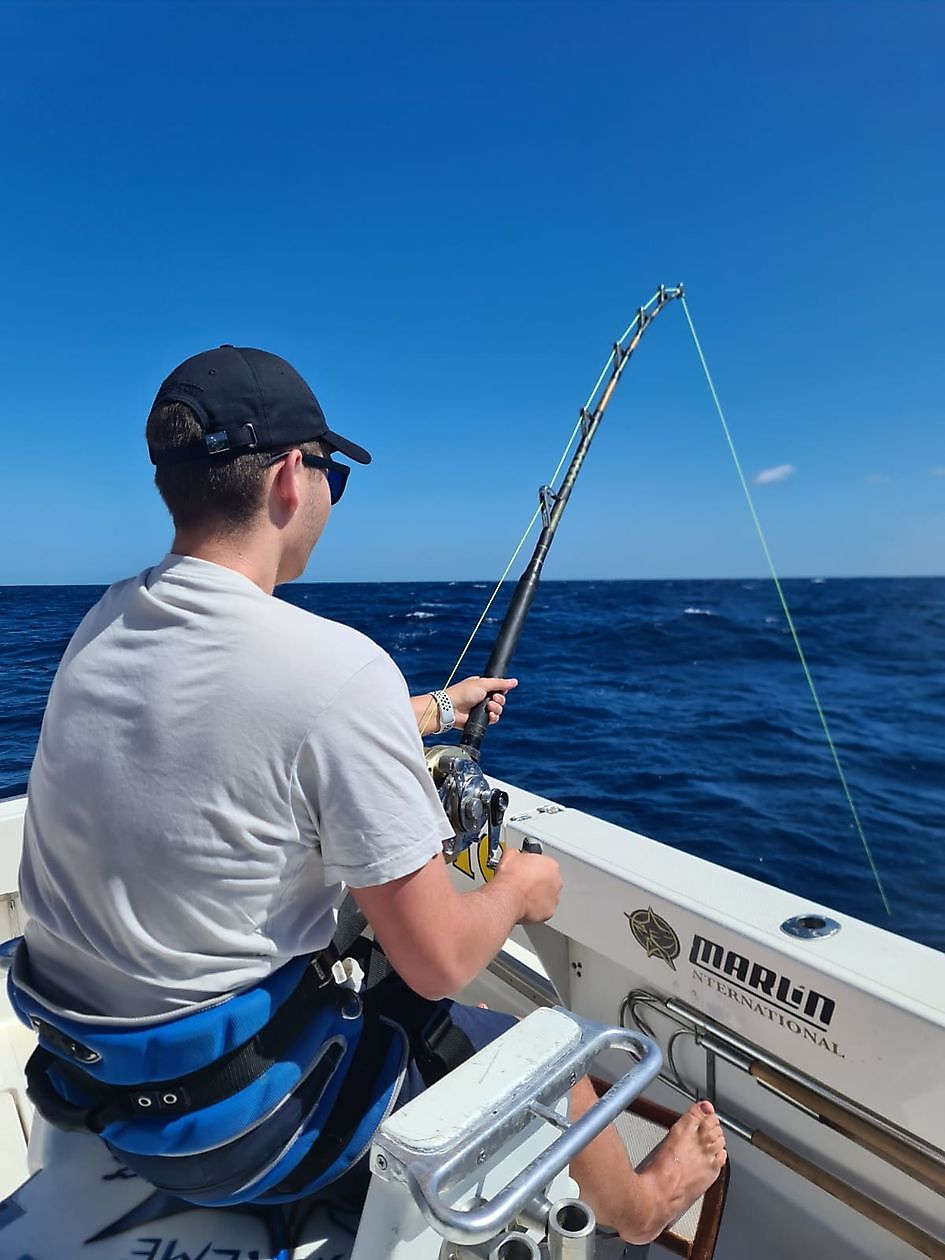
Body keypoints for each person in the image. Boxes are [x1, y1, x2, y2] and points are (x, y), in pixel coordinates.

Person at [14, 345, 725, 1246]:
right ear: (288, 476)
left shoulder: (105, 620)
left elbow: (230, 719)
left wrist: (434, 710)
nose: (328, 497)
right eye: (332, 476)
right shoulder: (336, 670)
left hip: (93, 1085)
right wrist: (517, 887)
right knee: (536, 1038)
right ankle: (639, 1210)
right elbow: (439, 963)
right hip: (235, 1134)